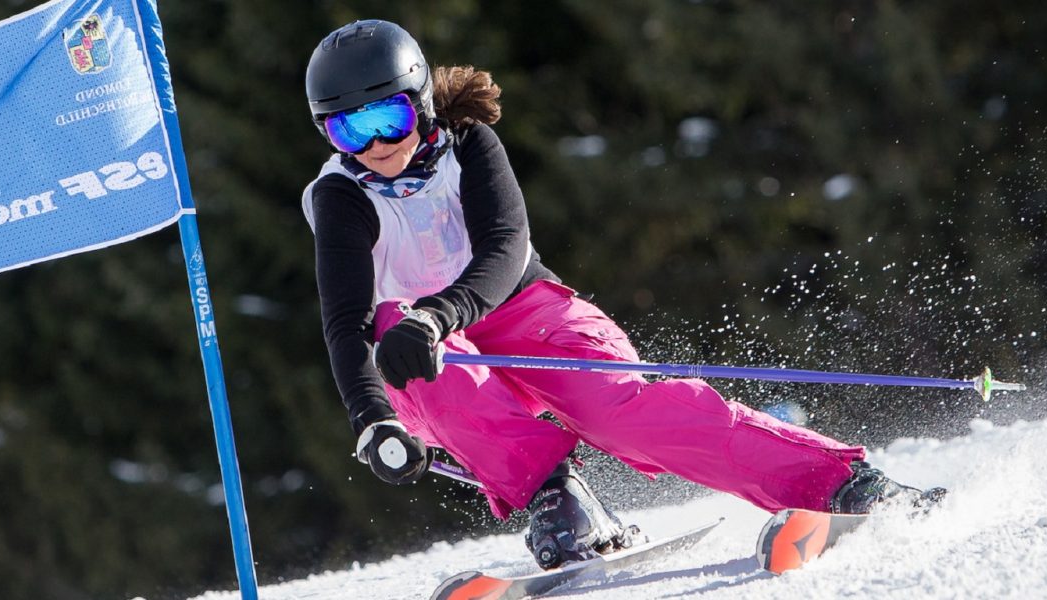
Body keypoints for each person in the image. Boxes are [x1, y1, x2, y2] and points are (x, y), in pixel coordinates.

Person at [300, 19, 942, 569]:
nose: (378, 145)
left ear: (423, 104)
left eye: (391, 118)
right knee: (402, 345)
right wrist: (372, 419)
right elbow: (345, 320)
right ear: (328, 135)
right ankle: (558, 497)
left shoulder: (469, 146)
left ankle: (845, 484)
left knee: (620, 410)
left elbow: (505, 250)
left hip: (520, 307)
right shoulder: (340, 197)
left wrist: (440, 315)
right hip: (425, 346)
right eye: (350, 131)